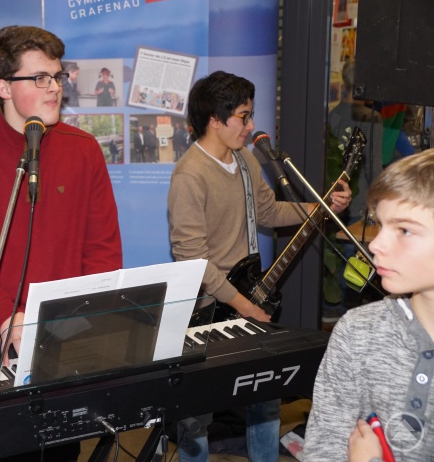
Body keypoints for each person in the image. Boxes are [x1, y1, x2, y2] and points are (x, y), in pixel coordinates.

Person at [0, 25, 122, 461]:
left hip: (71, 332)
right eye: (40, 78)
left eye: (57, 76)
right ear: (3, 87)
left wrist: (78, 316)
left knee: (60, 453)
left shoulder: (84, 149)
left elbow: (104, 250)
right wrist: (6, 317)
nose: (54, 87)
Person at [167, 71, 351, 461]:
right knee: (197, 415)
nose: (251, 126)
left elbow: (268, 210)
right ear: (215, 119)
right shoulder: (189, 174)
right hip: (210, 309)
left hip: (251, 298)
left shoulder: (245, 158)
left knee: (265, 399)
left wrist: (321, 208)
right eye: (243, 117)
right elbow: (192, 257)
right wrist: (243, 305)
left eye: (251, 116)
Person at [305, 148, 434, 461]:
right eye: (380, 224)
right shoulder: (358, 331)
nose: (375, 244)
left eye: (404, 230)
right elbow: (324, 449)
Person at [325, 59, 384, 319]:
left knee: (335, 263)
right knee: (357, 270)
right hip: (359, 206)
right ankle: (349, 316)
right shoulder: (372, 117)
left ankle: (331, 310)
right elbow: (374, 166)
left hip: (335, 202)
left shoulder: (332, 114)